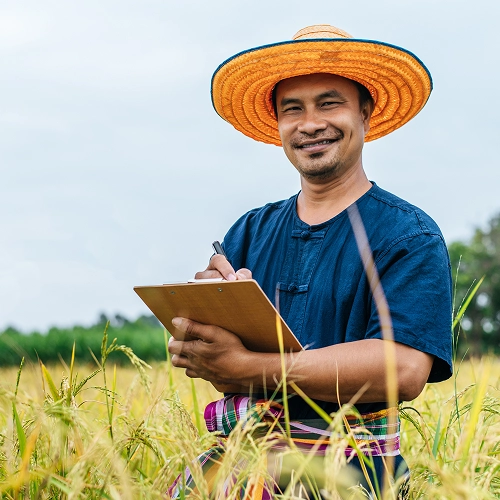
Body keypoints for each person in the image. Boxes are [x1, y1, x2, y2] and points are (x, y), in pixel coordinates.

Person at [168, 24, 452, 498]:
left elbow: (403, 369)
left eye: (329, 103)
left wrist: (248, 367)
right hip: (238, 459)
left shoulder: (409, 235)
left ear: (365, 112)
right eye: (292, 109)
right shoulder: (249, 231)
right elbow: (223, 368)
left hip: (350, 470)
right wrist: (199, 330)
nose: (310, 123)